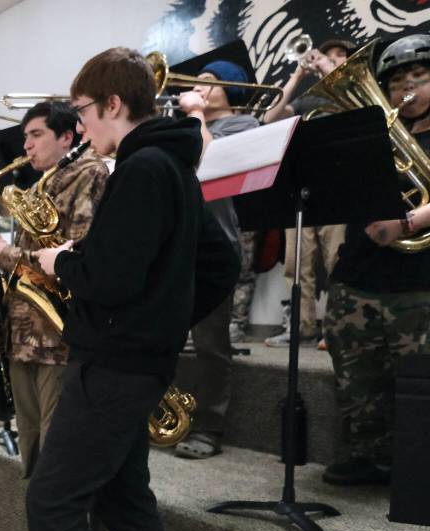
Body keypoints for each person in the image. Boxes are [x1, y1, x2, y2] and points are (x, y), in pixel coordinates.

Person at [30, 48, 239, 531]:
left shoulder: (142, 167)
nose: (79, 124)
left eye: (82, 111)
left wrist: (63, 261)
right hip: (136, 359)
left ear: (114, 103)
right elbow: (221, 261)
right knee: (126, 503)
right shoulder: (171, 163)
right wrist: (164, 316)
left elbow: (110, 279)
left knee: (51, 503)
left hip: (111, 363)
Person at [0, 100, 109, 531]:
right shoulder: (43, 182)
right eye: (25, 137)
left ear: (68, 135)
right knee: (32, 456)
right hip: (26, 338)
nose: (25, 146)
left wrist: (6, 255)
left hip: (60, 341)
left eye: (36, 135)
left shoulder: (89, 173)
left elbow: (77, 252)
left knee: (58, 462)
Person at [320, 34, 430, 486]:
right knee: (356, 379)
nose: (408, 87)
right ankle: (368, 455)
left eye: (420, 77)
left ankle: (416, 467)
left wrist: (406, 225)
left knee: (417, 381)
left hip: (419, 282)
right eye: (398, 81)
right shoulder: (371, 134)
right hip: (358, 277)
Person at [172, 60, 259, 460]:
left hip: (212, 248)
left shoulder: (244, 126)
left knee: (211, 344)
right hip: (174, 241)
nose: (199, 87)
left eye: (209, 83)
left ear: (233, 89)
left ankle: (209, 427)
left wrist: (194, 113)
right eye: (196, 84)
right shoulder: (183, 127)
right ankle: (162, 418)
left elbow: (210, 164)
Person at [264, 39, 355, 349]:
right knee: (295, 264)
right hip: (303, 188)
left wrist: (331, 69)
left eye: (340, 56)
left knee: (337, 262)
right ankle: (300, 327)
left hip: (340, 188)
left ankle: (336, 329)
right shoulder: (310, 98)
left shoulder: (354, 92)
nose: (329, 60)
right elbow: (269, 119)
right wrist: (298, 75)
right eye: (327, 56)